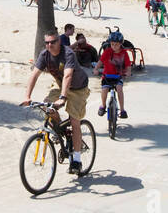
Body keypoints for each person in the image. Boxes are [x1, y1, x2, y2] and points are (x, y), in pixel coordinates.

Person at [20, 31, 91, 176]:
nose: (49, 45)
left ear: (59, 41)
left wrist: (63, 97)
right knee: (47, 106)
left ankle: (76, 160)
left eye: (52, 42)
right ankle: (61, 130)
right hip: (60, 85)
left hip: (78, 88)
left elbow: (68, 75)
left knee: (74, 121)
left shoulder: (68, 53)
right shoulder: (44, 55)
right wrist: (27, 96)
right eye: (47, 43)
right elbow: (34, 74)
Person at [96, 30, 134, 119]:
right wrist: (96, 69)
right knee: (104, 89)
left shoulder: (124, 53)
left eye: (116, 44)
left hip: (118, 76)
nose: (114, 46)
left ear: (121, 44)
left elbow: (128, 64)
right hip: (107, 76)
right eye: (112, 44)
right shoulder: (107, 51)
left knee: (119, 89)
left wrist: (128, 72)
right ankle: (103, 105)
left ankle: (122, 110)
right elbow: (100, 62)